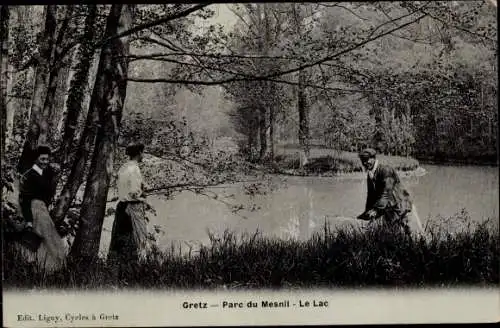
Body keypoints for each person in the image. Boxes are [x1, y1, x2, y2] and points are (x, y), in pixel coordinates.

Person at [18, 145, 66, 272]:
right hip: (34, 210)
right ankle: (44, 270)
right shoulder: (30, 175)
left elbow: (49, 175)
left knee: (46, 240)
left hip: (42, 209)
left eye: (47, 159)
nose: (45, 162)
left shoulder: (44, 173)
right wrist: (28, 220)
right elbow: (25, 200)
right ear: (36, 159)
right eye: (42, 159)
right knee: (43, 240)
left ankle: (44, 271)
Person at [108, 143, 153, 266]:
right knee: (139, 238)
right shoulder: (134, 168)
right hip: (133, 207)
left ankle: (118, 266)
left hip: (122, 206)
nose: (143, 155)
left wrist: (141, 185)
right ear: (139, 153)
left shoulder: (123, 167)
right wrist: (143, 193)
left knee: (121, 239)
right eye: (142, 152)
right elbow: (134, 192)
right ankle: (139, 267)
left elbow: (123, 185)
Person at [356, 148, 413, 235]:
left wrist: (376, 210)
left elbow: (386, 192)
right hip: (388, 207)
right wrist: (367, 213)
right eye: (362, 160)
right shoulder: (370, 173)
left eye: (366, 160)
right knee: (391, 234)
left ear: (373, 158)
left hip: (400, 205)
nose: (364, 163)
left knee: (408, 232)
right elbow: (371, 196)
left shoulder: (385, 170)